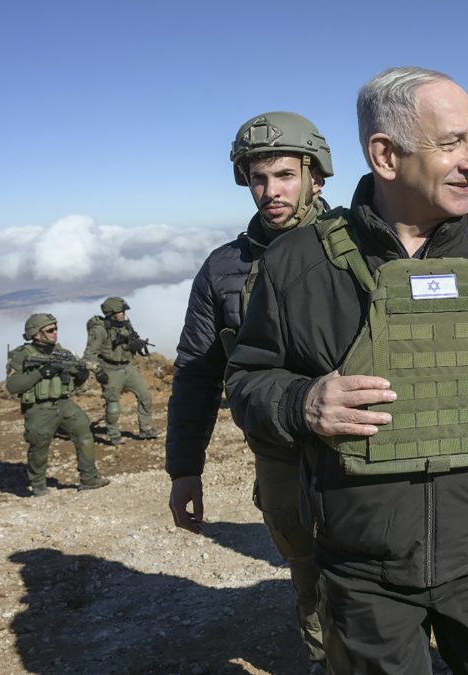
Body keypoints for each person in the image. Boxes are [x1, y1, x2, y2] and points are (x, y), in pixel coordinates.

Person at [224, 67, 468, 674]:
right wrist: (302, 403)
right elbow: (248, 378)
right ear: (385, 154)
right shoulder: (298, 264)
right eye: (452, 143)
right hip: (360, 567)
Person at [165, 111, 333, 670]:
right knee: (306, 569)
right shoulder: (224, 269)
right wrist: (184, 468)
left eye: (285, 175)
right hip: (280, 453)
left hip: (365, 444)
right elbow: (196, 371)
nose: (270, 191)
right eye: (259, 178)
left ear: (315, 176)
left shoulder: (361, 248)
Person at [6, 313, 110, 496]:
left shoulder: (62, 353)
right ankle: (38, 485)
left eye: (55, 329)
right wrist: (40, 373)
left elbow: (76, 382)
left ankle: (89, 478)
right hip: (39, 408)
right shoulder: (22, 355)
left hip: (64, 403)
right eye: (50, 330)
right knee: (39, 446)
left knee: (84, 434)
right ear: (36, 334)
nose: (55, 333)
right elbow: (13, 386)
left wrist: (82, 373)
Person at [83, 296, 159, 445]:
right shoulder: (100, 330)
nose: (123, 313)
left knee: (145, 396)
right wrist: (98, 371)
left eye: (124, 310)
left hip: (127, 367)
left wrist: (135, 344)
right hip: (110, 369)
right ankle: (113, 434)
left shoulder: (124, 325)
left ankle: (146, 428)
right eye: (120, 311)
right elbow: (88, 356)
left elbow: (132, 339)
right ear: (111, 313)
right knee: (113, 406)